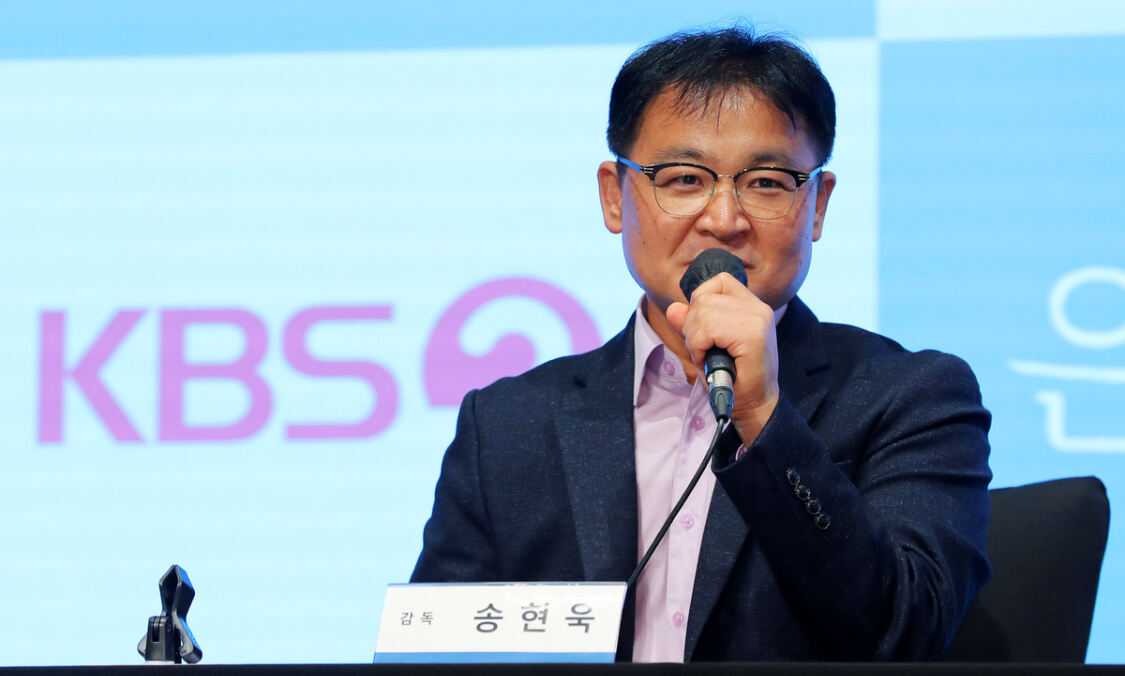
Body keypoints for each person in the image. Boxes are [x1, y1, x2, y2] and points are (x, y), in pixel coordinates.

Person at [411, 25, 991, 662]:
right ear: (614, 196)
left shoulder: (912, 398)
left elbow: (906, 634)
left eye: (767, 182)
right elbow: (438, 652)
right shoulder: (508, 423)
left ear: (818, 205)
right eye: (685, 179)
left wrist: (763, 415)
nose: (723, 219)